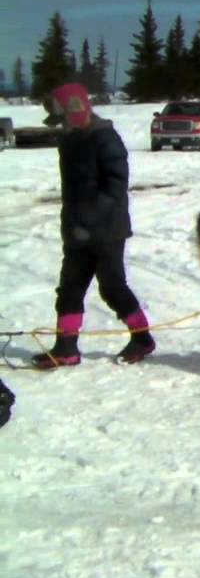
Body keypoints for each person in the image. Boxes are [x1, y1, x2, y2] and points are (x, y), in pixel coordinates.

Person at [33, 83, 156, 369]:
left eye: (64, 117)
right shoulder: (69, 139)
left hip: (107, 229)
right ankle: (66, 348)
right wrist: (74, 223)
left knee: (112, 287)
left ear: (76, 110)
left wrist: (89, 217)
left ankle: (142, 338)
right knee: (69, 289)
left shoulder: (105, 138)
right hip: (77, 230)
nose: (61, 124)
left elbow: (115, 186)